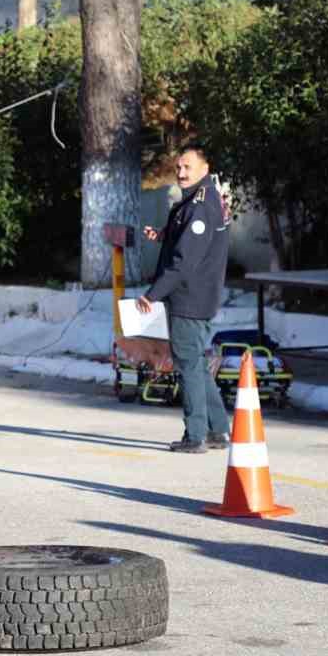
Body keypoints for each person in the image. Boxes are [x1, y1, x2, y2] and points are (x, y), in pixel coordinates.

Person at [138, 143, 231, 454]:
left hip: (189, 299)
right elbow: (192, 239)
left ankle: (196, 436)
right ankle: (218, 430)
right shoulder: (197, 200)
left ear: (204, 169)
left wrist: (152, 295)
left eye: (187, 167)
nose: (181, 172)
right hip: (196, 297)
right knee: (196, 365)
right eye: (178, 167)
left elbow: (184, 261)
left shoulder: (200, 204)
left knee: (189, 364)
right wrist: (165, 235)